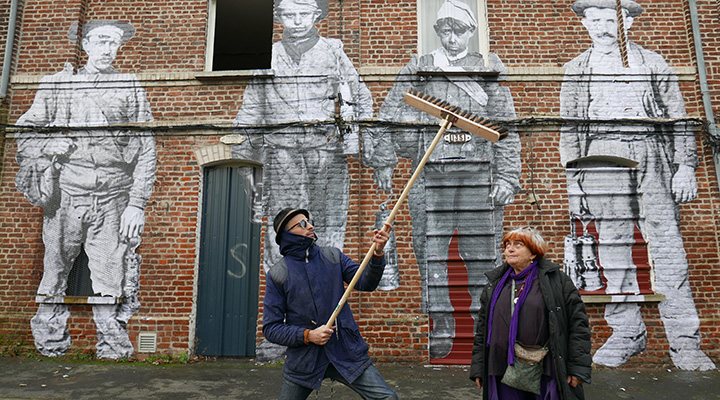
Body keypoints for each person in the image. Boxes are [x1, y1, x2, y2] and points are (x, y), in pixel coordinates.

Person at [560, 0, 716, 370]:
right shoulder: (576, 69)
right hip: (600, 155)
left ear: (627, 22)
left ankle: (686, 344)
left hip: (651, 152)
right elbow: (567, 129)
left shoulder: (653, 63)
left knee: (668, 247)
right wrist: (575, 183)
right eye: (593, 20)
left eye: (609, 19)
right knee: (613, 247)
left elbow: (680, 117)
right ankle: (627, 332)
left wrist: (686, 167)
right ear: (584, 24)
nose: (601, 27)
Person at [365, 0, 521, 358]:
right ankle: (441, 327)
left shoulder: (487, 68)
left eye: (460, 31)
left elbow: (507, 126)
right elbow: (389, 114)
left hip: (478, 175)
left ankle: (487, 327)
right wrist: (385, 161)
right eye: (445, 31)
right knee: (430, 254)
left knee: (482, 256)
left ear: (471, 32)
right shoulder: (419, 68)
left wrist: (508, 178)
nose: (452, 38)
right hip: (428, 175)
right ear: (437, 32)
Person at [15, 20, 156, 359]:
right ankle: (49, 342)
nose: (108, 49)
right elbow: (23, 132)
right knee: (55, 269)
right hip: (65, 194)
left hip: (113, 196)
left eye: (114, 43)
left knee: (111, 274)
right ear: (86, 45)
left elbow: (146, 147)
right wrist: (50, 146)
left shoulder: (130, 85)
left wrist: (136, 204)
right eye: (102, 41)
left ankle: (111, 345)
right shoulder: (57, 84)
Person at [233, 0, 373, 277]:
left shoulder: (333, 51)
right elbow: (251, 108)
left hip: (326, 152)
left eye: (303, 14)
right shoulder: (268, 55)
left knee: (329, 222)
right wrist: (245, 161)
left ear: (316, 15)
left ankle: (328, 281)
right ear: (280, 17)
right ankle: (285, 284)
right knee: (285, 220)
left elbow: (360, 97)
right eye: (289, 14)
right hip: (282, 155)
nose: (297, 21)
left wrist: (356, 140)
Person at [262, 208, 398, 400]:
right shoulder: (278, 274)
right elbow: (271, 328)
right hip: (304, 361)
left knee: (387, 398)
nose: (310, 226)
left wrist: (377, 253)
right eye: (302, 224)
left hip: (345, 353)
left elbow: (365, 282)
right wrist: (308, 335)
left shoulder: (332, 257)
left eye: (309, 221)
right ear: (287, 233)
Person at [469, 227, 592, 400]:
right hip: (500, 368)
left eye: (518, 245)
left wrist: (577, 368)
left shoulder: (557, 281)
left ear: (533, 253)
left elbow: (578, 326)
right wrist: (479, 367)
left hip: (544, 368)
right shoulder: (496, 284)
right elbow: (482, 329)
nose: (509, 249)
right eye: (507, 245)